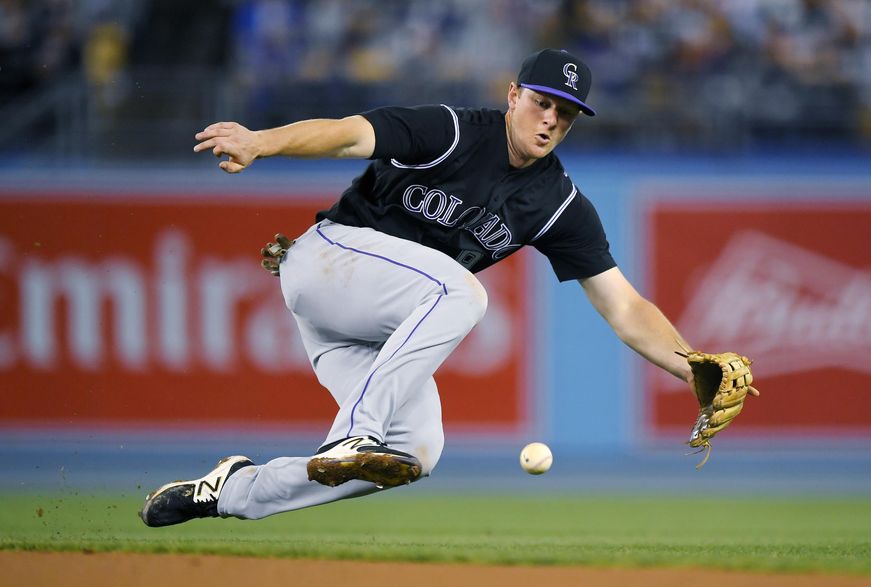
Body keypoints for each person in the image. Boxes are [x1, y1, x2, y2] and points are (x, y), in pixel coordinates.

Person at [139, 48, 752, 527]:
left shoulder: (556, 201)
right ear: (513, 95)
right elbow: (350, 133)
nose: (550, 120)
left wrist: (690, 368)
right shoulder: (451, 131)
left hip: (372, 323)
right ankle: (353, 433)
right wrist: (261, 142)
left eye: (565, 114)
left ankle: (233, 493)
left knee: (414, 452)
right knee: (464, 294)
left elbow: (623, 305)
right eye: (541, 102)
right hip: (327, 262)